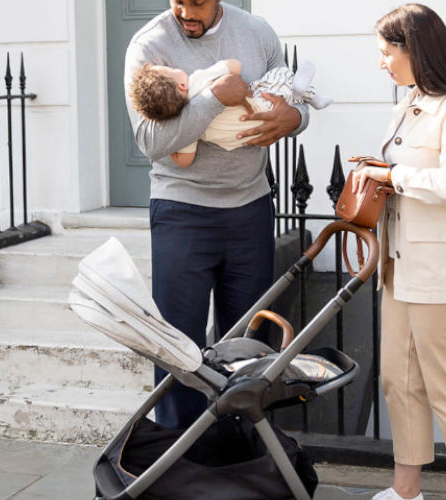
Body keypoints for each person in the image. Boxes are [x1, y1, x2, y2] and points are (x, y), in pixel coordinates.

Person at [124, 0, 309, 430]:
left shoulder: (257, 31)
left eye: (199, 4)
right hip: (182, 212)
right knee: (178, 350)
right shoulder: (149, 45)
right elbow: (150, 140)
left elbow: (286, 100)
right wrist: (211, 97)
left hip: (251, 208)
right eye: (179, 2)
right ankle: (180, 465)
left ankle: (241, 459)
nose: (187, 12)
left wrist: (295, 118)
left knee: (249, 348)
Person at [351, 4, 446, 500]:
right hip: (400, 266)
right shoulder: (409, 104)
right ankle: (405, 490)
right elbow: (403, 175)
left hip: (443, 272)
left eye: (387, 52)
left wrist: (389, 175)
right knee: (399, 379)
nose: (382, 63)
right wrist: (375, 174)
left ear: (416, 50)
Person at [129, 58, 331, 167]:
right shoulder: (197, 81)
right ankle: (301, 90)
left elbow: (185, 161)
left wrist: (174, 150)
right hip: (263, 108)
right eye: (170, 68)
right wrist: (221, 80)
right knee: (277, 78)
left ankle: (303, 94)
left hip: (246, 136)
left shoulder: (186, 125)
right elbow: (234, 65)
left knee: (283, 96)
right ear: (182, 84)